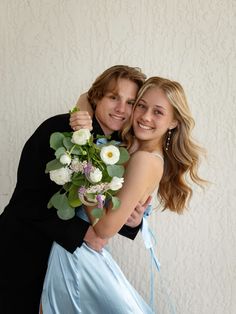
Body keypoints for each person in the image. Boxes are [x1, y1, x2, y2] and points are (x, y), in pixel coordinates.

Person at [41, 76, 205, 313]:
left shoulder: (145, 160)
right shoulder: (129, 146)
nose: (145, 117)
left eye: (158, 112)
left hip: (80, 254)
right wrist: (83, 117)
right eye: (141, 106)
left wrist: (83, 175)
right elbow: (87, 97)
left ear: (174, 122)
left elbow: (105, 229)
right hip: (74, 251)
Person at [0, 65, 148, 314]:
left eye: (131, 102)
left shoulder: (122, 149)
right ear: (97, 96)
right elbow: (27, 200)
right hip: (21, 253)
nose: (121, 109)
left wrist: (131, 222)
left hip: (72, 263)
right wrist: (83, 233)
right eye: (113, 97)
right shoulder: (58, 130)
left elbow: (100, 209)